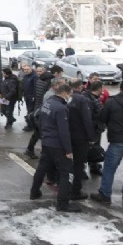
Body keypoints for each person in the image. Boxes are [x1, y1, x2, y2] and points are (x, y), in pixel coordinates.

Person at [29, 84, 81, 212]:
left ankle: (34, 192)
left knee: (42, 168)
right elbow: (64, 131)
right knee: (66, 172)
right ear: (65, 94)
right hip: (58, 145)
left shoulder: (48, 103)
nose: (70, 97)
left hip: (47, 142)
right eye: (70, 95)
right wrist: (68, 150)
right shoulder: (61, 108)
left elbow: (40, 121)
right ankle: (63, 204)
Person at [25, 65, 63, 158]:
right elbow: (47, 97)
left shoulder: (41, 79)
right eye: (61, 73)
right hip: (42, 108)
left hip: (38, 106)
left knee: (38, 132)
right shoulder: (49, 82)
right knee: (42, 132)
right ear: (56, 73)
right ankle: (40, 151)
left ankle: (30, 149)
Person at [67, 78, 96, 200]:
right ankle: (75, 190)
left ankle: (65, 186)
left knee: (67, 163)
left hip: (66, 135)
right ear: (80, 87)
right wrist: (91, 137)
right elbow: (87, 120)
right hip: (80, 137)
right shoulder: (82, 100)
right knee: (79, 165)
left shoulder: (65, 97)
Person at [82, 80, 106, 175]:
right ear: (99, 88)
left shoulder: (92, 97)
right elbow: (89, 116)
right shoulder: (89, 99)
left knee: (94, 149)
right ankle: (83, 169)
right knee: (88, 149)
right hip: (92, 129)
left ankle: (94, 166)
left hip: (96, 129)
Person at [20, 64, 38, 131]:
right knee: (29, 110)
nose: (26, 71)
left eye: (27, 69)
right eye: (25, 70)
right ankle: (31, 124)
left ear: (31, 69)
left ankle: (30, 126)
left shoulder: (34, 76)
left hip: (31, 97)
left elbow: (35, 87)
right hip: (26, 96)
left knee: (30, 111)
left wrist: (33, 96)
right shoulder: (25, 76)